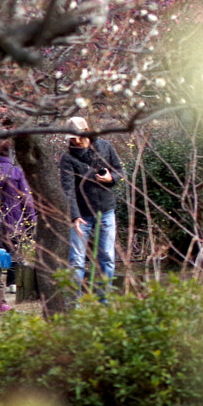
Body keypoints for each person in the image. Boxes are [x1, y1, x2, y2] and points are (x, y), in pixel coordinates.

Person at [60, 122, 124, 298]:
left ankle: (104, 300)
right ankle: (75, 305)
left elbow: (119, 170)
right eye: (72, 138)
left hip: (106, 210)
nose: (76, 141)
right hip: (82, 215)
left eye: (78, 136)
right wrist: (74, 216)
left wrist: (111, 178)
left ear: (86, 132)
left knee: (107, 259)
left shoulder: (105, 146)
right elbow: (68, 190)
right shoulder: (68, 159)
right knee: (76, 261)